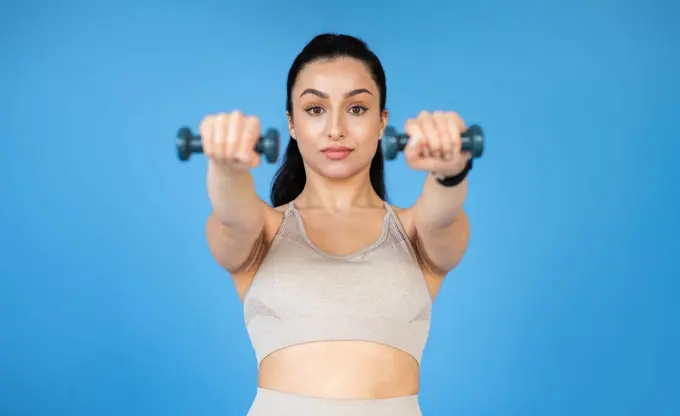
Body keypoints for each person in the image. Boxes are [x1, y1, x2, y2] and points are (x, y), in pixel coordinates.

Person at [202, 33, 472, 416]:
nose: (336, 129)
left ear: (382, 123)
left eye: (357, 109)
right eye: (315, 109)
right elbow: (232, 213)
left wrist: (451, 170)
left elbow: (443, 214)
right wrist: (225, 165)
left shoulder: (415, 235)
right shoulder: (263, 231)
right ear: (291, 123)